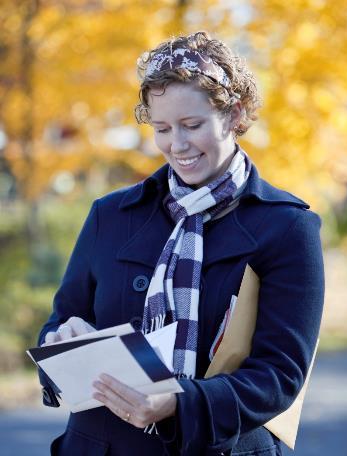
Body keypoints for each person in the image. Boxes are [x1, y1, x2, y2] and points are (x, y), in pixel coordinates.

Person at [37, 31, 325, 455]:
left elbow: (279, 377)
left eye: (192, 125)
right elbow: (61, 320)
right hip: (102, 444)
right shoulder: (110, 215)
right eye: (162, 128)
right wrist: (60, 344)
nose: (177, 145)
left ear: (234, 114)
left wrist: (175, 405)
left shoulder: (287, 227)